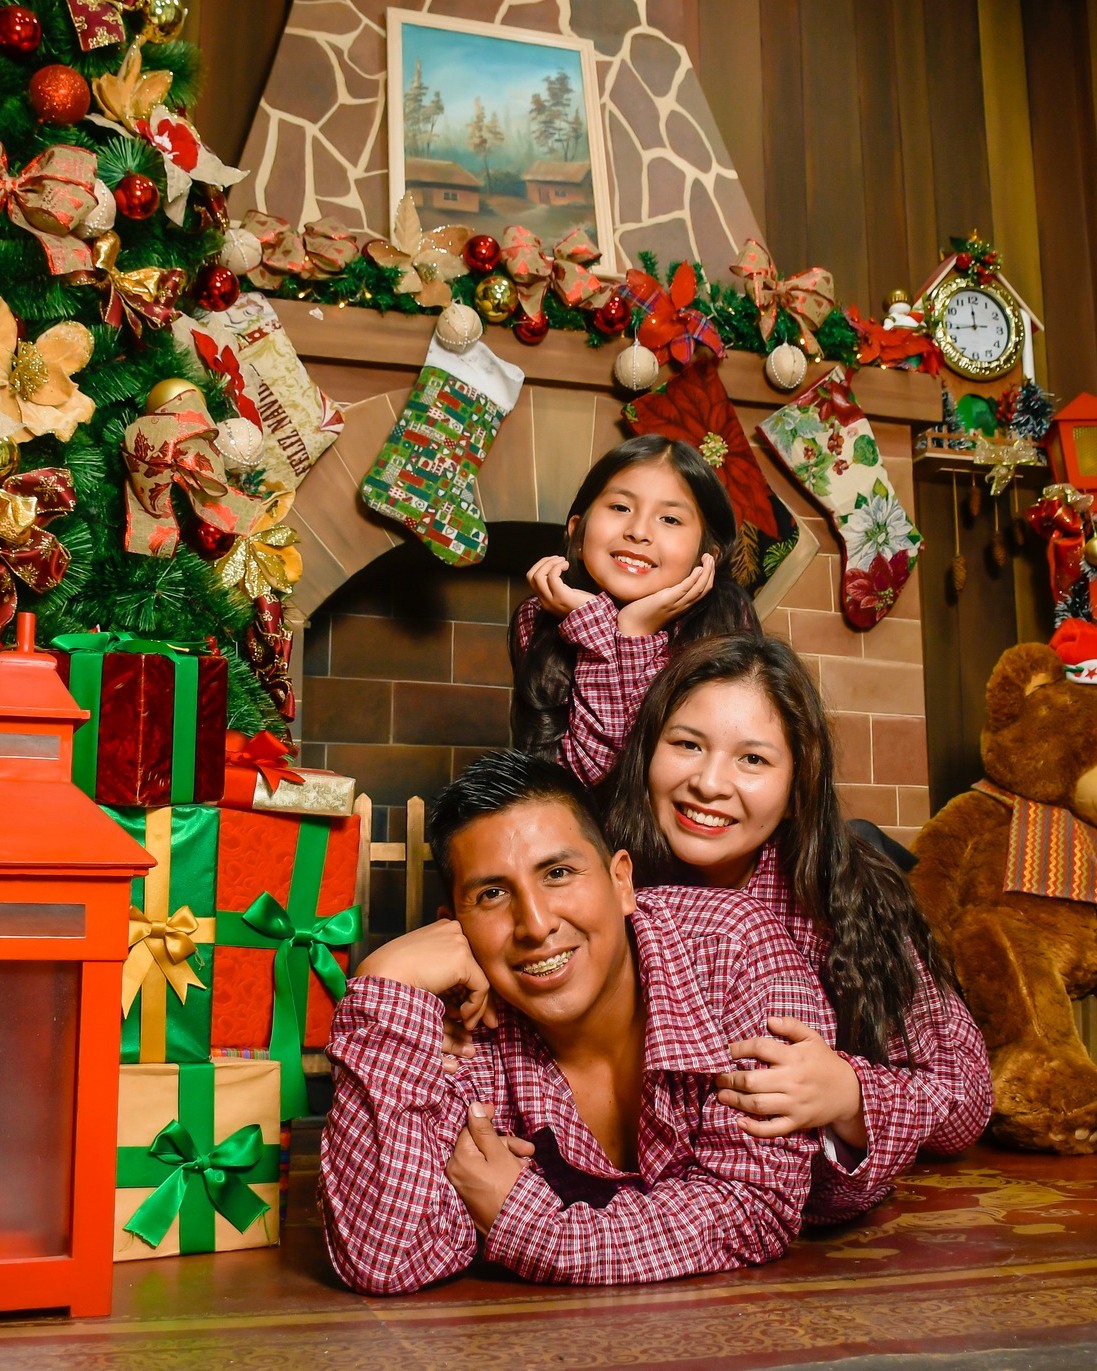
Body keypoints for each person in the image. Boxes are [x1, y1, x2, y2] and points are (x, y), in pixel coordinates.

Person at [320, 750, 837, 1294]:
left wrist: (534, 1228)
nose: (536, 925)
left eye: (559, 873)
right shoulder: (462, 1025)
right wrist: (385, 985)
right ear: (453, 929)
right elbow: (387, 1255)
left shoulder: (733, 949)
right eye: (492, 894)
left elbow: (754, 1205)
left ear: (621, 881)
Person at [601, 634, 993, 1224]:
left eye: (752, 759)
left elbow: (966, 1095)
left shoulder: (849, 900)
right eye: (686, 744)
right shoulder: (595, 880)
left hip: (797, 1231)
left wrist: (851, 1096)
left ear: (796, 786)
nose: (709, 783)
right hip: (641, 1213)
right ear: (646, 753)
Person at [510, 433, 761, 786]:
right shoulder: (538, 617)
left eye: (670, 519)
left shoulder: (725, 623)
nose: (639, 532)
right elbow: (576, 781)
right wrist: (597, 625)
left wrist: (632, 631)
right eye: (620, 508)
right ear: (577, 533)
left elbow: (658, 780)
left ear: (708, 556)